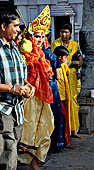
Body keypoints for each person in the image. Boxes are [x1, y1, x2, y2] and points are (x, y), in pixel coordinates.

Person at [18, 5, 54, 170]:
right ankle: (27, 162)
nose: (39, 39)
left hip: (43, 97)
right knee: (29, 128)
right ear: (30, 36)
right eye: (36, 36)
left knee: (47, 127)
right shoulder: (23, 53)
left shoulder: (42, 55)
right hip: (28, 97)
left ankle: (35, 162)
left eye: (42, 36)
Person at [0, 9, 34, 170]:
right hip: (3, 109)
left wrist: (28, 86)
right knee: (9, 150)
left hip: (18, 109)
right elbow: (12, 85)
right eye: (15, 26)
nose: (19, 30)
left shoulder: (15, 49)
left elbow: (20, 77)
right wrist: (12, 89)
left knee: (12, 148)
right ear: (3, 27)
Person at [51, 22, 83, 138]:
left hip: (72, 76)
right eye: (62, 32)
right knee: (62, 103)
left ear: (70, 33)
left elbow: (80, 62)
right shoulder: (55, 43)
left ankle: (74, 130)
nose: (64, 34)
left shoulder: (75, 45)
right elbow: (53, 59)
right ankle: (64, 132)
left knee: (73, 101)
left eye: (66, 32)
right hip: (60, 76)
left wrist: (71, 63)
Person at [53, 45, 73, 148]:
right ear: (60, 57)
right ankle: (63, 141)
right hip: (57, 97)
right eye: (65, 57)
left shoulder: (63, 66)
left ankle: (65, 140)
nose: (66, 59)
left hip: (64, 96)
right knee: (62, 119)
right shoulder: (55, 66)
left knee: (65, 119)